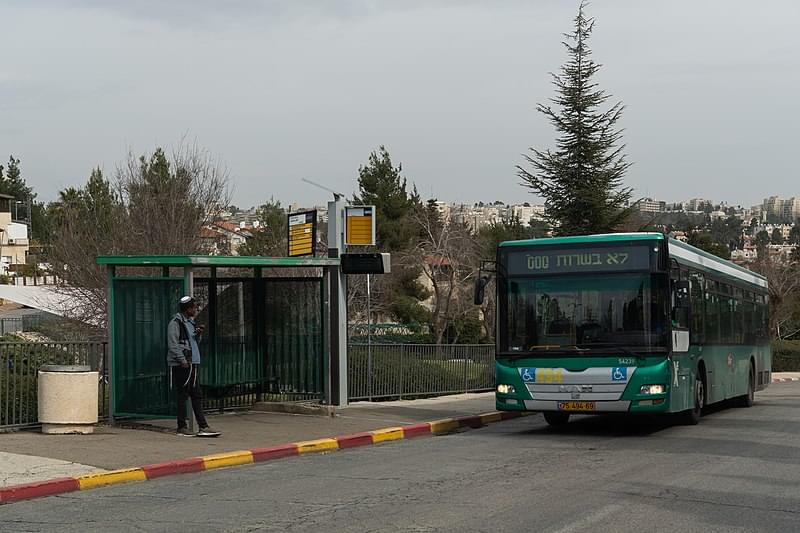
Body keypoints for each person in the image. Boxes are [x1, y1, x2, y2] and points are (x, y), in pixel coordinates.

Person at [167, 296, 220, 437]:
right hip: (182, 364)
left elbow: (193, 342)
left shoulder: (191, 323)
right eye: (194, 308)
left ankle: (203, 426)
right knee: (183, 394)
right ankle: (181, 426)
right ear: (188, 309)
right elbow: (173, 344)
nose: (195, 310)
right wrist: (182, 360)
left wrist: (199, 335)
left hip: (193, 362)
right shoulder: (175, 323)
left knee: (196, 394)